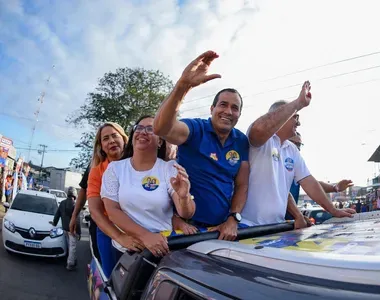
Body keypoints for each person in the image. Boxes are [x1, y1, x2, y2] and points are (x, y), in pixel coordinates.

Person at [154, 51, 249, 241]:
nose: (228, 111)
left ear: (239, 114)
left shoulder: (241, 141)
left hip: (220, 229)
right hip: (185, 229)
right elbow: (161, 128)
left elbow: (242, 185)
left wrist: (233, 219)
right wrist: (183, 86)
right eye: (223, 105)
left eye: (235, 108)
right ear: (212, 109)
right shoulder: (196, 129)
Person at [242, 81, 356, 228]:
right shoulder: (261, 140)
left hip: (275, 227)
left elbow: (310, 183)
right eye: (296, 117)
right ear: (282, 116)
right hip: (247, 227)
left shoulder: (291, 150)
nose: (299, 123)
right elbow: (257, 130)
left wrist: (333, 210)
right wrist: (297, 104)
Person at [102, 116, 196, 257]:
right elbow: (112, 210)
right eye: (139, 128)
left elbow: (186, 213)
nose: (142, 132)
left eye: (151, 129)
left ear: (160, 141)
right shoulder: (115, 168)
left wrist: (184, 197)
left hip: (162, 248)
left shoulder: (170, 168)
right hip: (126, 251)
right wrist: (145, 236)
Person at [87, 122, 142, 278]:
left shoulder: (141, 162)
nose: (111, 141)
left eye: (114, 135)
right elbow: (95, 211)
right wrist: (119, 236)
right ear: (101, 146)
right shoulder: (97, 172)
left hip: (142, 226)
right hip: (109, 230)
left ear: (124, 139)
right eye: (105, 138)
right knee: (113, 280)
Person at [288, 132, 353, 203]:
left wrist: (334, 188)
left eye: (299, 144)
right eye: (292, 143)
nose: (296, 148)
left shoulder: (296, 164)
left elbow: (312, 184)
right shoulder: (276, 162)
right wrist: (298, 214)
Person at [69, 165, 101, 263]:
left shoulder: (130, 157)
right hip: (100, 226)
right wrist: (74, 217)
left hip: (128, 227)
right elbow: (84, 190)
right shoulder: (94, 164)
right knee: (100, 263)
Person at [51, 186, 81, 271]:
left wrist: (54, 223)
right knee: (72, 247)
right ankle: (70, 264)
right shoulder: (75, 205)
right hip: (72, 230)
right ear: (75, 195)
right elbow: (77, 220)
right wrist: (79, 232)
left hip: (65, 228)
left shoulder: (62, 203)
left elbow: (57, 214)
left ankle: (71, 260)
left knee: (68, 245)